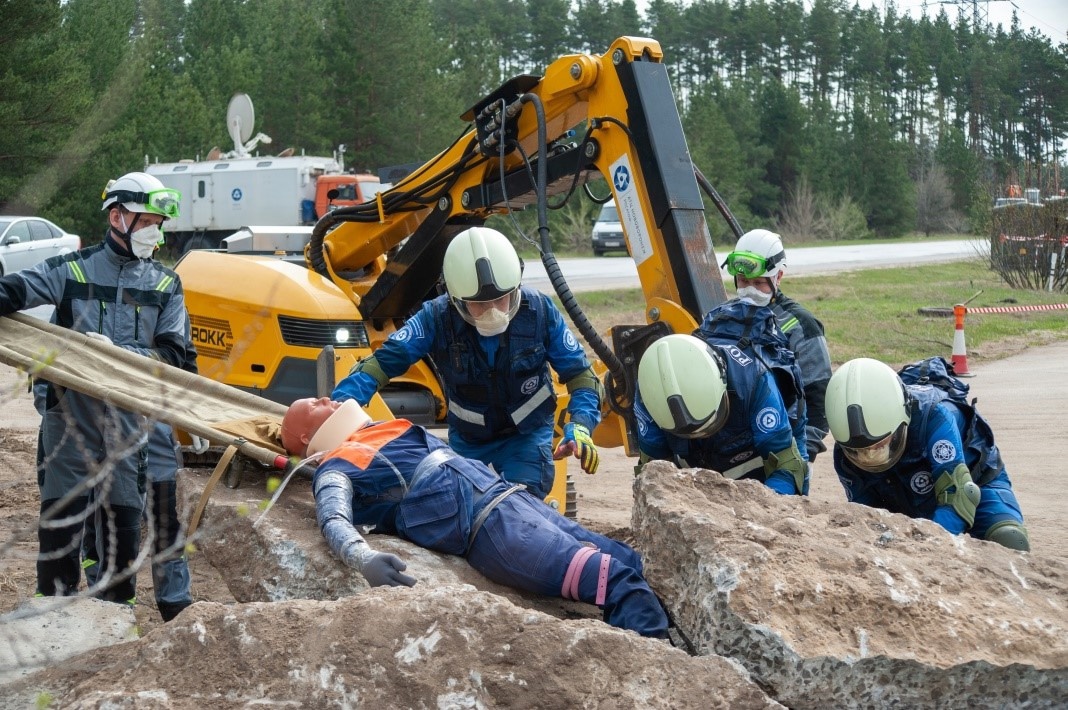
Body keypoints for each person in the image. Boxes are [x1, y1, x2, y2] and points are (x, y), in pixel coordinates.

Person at [279, 396, 670, 639]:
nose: (327, 397)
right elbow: (334, 518)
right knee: (616, 581)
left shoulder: (380, 431)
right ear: (303, 438)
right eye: (314, 403)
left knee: (633, 564)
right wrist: (363, 559)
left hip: (515, 502)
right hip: (497, 532)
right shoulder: (335, 465)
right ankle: (664, 679)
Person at [0, 171, 190, 604]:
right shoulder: (70, 271)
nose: (154, 232)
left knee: (120, 544)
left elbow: (174, 358)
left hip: (129, 431)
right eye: (146, 222)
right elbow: (11, 291)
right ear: (118, 216)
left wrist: (116, 354)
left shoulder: (165, 285)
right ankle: (55, 625)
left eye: (158, 225)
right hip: (68, 425)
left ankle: (113, 632)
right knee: (59, 538)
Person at [332, 226, 603, 500]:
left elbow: (581, 375)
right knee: (457, 506)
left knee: (524, 504)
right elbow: (383, 363)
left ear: (516, 286)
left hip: (526, 435)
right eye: (479, 304)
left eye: (501, 299)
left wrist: (580, 424)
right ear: (454, 298)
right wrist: (341, 405)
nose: (493, 311)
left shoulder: (540, 312)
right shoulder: (436, 317)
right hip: (470, 439)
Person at [824, 357, 1030, 551]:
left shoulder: (936, 417)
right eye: (859, 452)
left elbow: (959, 495)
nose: (870, 457)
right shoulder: (843, 457)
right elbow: (866, 515)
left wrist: (927, 547)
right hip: (904, 497)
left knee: (1010, 539)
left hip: (975, 483)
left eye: (882, 445)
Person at [633, 333, 809, 496]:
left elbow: (786, 465)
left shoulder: (756, 384)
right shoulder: (648, 395)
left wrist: (765, 510)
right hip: (700, 458)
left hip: (765, 444)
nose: (697, 436)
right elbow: (652, 472)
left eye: (709, 425)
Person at [721, 229, 832, 461]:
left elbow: (818, 396)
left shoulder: (801, 326)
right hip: (730, 448)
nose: (749, 289)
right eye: (743, 281)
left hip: (781, 448)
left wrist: (802, 455)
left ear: (778, 276)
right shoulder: (722, 319)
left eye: (758, 282)